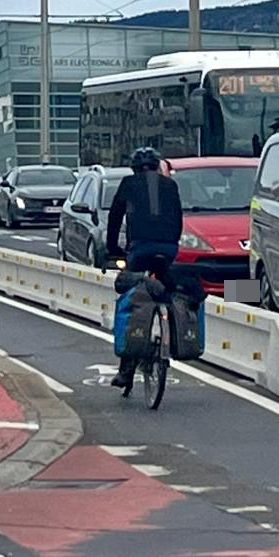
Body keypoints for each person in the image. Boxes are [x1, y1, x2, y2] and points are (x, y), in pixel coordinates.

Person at [107, 147, 183, 387]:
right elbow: (179, 220)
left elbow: (115, 217)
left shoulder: (128, 184)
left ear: (134, 168)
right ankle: (170, 335)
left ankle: (126, 371)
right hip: (169, 249)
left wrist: (112, 248)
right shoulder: (171, 186)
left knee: (132, 296)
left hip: (139, 249)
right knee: (164, 287)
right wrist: (171, 245)